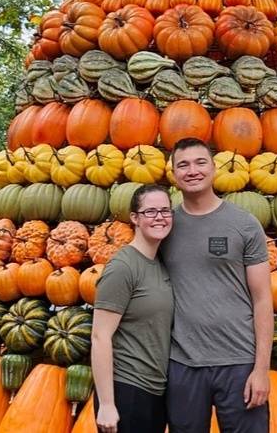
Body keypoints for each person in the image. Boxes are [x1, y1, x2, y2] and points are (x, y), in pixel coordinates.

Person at [161, 138, 274, 433]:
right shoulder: (163, 228)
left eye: (200, 162)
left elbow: (263, 299)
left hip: (239, 362)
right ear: (173, 173)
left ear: (213, 168)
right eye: (183, 165)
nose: (192, 171)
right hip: (183, 363)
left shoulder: (245, 224)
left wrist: (261, 369)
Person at [92, 185, 175, 433]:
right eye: (150, 211)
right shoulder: (123, 267)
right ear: (135, 218)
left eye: (165, 210)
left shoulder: (159, 264)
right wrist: (107, 404)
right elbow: (100, 336)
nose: (159, 217)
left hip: (154, 390)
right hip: (126, 389)